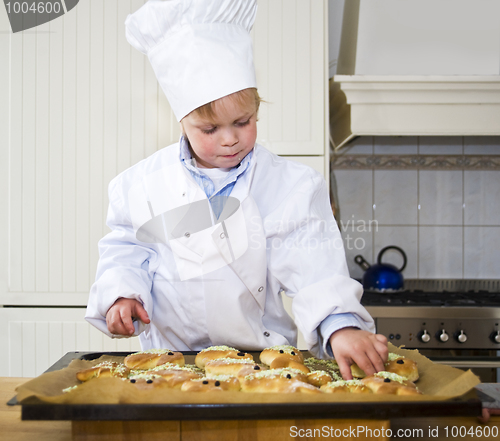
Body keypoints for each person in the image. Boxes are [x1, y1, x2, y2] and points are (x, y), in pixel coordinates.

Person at [85, 0, 388, 381]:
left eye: (242, 122)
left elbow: (314, 266)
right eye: (209, 130)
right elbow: (127, 250)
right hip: (172, 367)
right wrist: (122, 294)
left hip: (265, 364)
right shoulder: (140, 185)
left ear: (257, 111)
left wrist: (340, 325)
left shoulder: (289, 186)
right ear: (182, 121)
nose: (229, 140)